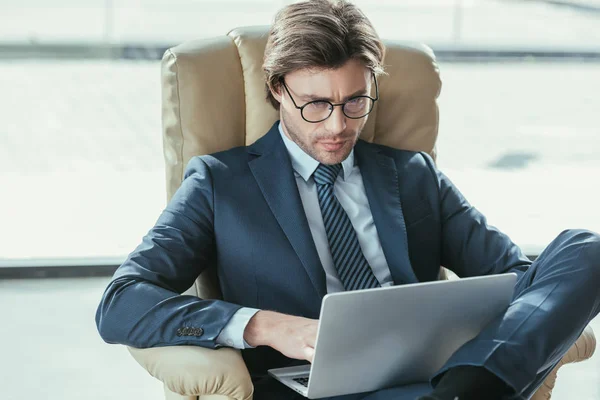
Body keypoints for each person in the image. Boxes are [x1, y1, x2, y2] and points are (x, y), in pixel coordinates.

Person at [95, 1, 600, 399]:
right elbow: (120, 302)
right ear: (277, 90)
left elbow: (522, 279)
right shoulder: (219, 182)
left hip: (435, 377)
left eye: (355, 101)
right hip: (313, 387)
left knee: (585, 247)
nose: (338, 126)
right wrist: (263, 326)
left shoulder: (412, 173)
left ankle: (472, 387)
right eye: (316, 104)